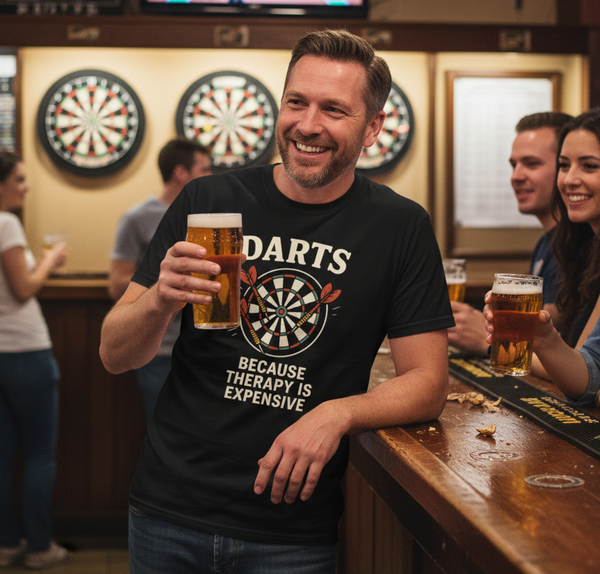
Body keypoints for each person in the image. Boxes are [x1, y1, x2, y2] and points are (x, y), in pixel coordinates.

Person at [99, 28, 453, 574]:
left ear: (374, 127)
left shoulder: (399, 225)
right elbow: (114, 354)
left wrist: (335, 415)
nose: (308, 125)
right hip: (167, 508)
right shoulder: (208, 198)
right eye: (296, 102)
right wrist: (157, 304)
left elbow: (428, 383)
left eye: (334, 109)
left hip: (292, 529)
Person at [485, 109, 600, 405]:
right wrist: (542, 335)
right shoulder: (576, 244)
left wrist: (485, 342)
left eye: (589, 166)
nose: (570, 179)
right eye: (565, 165)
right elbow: (590, 372)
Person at [449, 111, 572, 358]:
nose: (516, 177)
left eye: (532, 163)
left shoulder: (579, 245)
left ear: (564, 169)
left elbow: (546, 330)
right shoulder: (546, 243)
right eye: (514, 165)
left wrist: (491, 340)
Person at [109, 138, 212, 421]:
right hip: (161, 351)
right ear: (181, 172)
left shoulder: (211, 219)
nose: (212, 176)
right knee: (166, 431)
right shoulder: (137, 218)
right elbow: (116, 283)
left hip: (207, 347)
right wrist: (168, 282)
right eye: (205, 169)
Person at [0, 152, 68, 569]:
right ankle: (40, 547)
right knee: (41, 453)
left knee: (3, 455)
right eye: (20, 179)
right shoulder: (6, 224)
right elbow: (23, 289)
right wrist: (49, 260)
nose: (26, 187)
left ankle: (6, 544)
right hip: (25, 352)